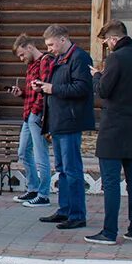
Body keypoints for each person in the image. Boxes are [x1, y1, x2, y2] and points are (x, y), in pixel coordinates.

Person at [86, 20, 132, 245]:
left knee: (111, 182)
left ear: (114, 39)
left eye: (106, 42)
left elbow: (104, 91)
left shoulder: (115, 58)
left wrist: (97, 75)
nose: (106, 46)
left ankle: (108, 232)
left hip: (113, 128)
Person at [36, 24, 96, 230]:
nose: (49, 49)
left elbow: (83, 87)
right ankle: (65, 209)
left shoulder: (79, 58)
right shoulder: (59, 60)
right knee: (62, 169)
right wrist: (44, 87)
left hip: (71, 122)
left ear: (63, 39)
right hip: (58, 121)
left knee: (72, 170)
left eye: (51, 44)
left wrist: (53, 88)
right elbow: (61, 87)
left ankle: (78, 214)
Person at [8, 34, 55, 208]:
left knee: (40, 155)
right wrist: (21, 93)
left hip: (36, 115)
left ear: (29, 47)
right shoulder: (31, 65)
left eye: (22, 54)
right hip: (28, 115)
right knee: (23, 152)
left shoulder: (45, 61)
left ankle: (43, 195)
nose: (21, 59)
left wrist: (37, 111)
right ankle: (33, 188)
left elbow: (45, 90)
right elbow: (33, 92)